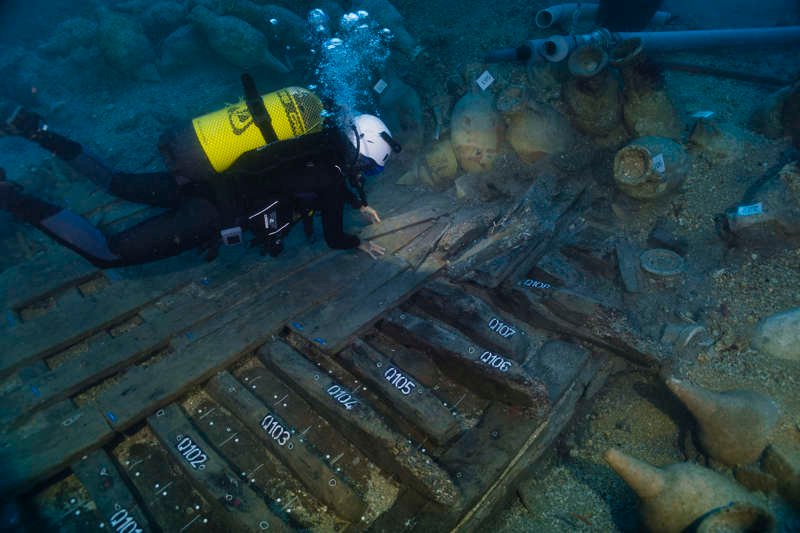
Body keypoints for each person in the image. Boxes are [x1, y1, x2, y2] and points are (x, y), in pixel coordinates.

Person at [0, 80, 399, 267]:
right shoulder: (331, 179)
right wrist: (357, 241)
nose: (362, 173)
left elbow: (298, 174)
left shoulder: (313, 137)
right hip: (211, 213)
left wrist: (355, 202)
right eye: (366, 167)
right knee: (108, 253)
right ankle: (10, 197)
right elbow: (332, 237)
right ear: (359, 156)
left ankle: (39, 133)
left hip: (203, 176)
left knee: (115, 182)